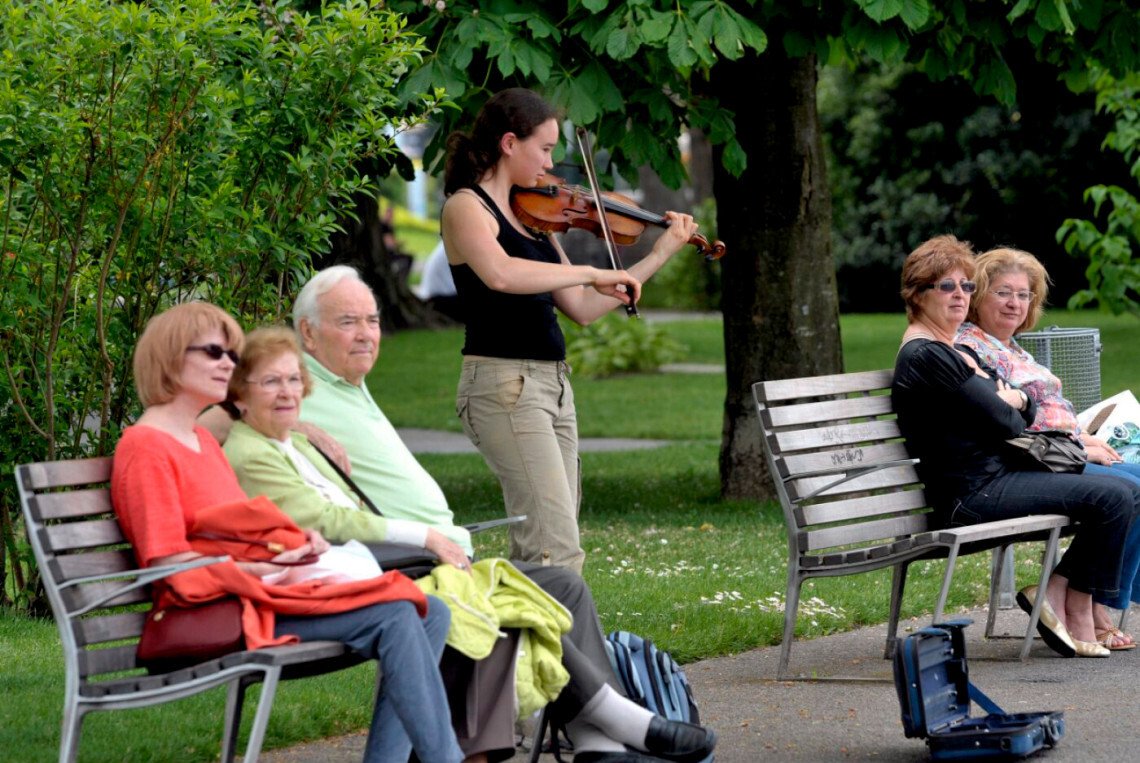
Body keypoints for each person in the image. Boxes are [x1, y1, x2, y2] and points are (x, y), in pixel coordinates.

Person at [215, 271, 717, 763]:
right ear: (308, 333)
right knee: (494, 607)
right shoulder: (299, 387)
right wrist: (297, 416)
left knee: (563, 585)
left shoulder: (338, 381)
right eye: (348, 322)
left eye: (372, 320)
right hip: (400, 563)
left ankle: (596, 739)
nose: (367, 333)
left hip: (430, 555)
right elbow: (214, 407)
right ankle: (620, 720)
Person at [112, 302, 464, 763]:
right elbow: (167, 564)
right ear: (172, 357)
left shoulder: (198, 440)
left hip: (258, 592)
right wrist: (254, 566)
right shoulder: (146, 448)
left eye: (232, 355)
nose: (228, 364)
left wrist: (293, 548)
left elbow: (234, 528)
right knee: (398, 614)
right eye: (214, 352)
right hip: (221, 607)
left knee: (429, 610)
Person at [440, 87, 701, 572]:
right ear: (509, 143)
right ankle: (554, 648)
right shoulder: (466, 208)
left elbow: (581, 306)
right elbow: (501, 275)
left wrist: (660, 253)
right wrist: (591, 271)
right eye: (544, 149)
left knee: (550, 544)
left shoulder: (534, 219)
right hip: (503, 386)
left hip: (552, 386)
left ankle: (522, 644)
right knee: (555, 547)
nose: (551, 163)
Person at [891, 235, 1140, 658]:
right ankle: (1073, 605)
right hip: (970, 493)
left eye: (965, 286)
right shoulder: (928, 355)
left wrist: (1011, 399)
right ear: (917, 294)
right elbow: (1009, 417)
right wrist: (1012, 399)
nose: (959, 296)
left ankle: (1067, 597)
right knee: (1114, 494)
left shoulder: (946, 350)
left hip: (994, 477)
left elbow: (1012, 412)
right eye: (946, 287)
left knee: (1124, 490)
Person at [957, 247, 1140, 649]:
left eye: (1024, 295)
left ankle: (1088, 601)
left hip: (1058, 452)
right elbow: (1010, 422)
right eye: (1003, 292)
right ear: (979, 296)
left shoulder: (1011, 348)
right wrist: (1079, 447)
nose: (1015, 303)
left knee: (1137, 481)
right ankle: (1081, 600)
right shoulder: (973, 350)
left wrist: (1082, 437)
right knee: (1129, 491)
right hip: (1027, 464)